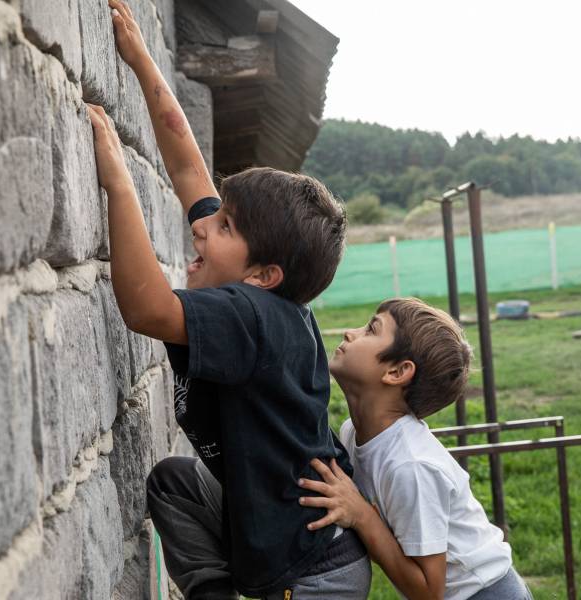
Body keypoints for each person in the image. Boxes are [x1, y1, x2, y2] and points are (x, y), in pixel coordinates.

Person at [87, 2, 370, 598]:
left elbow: (146, 309)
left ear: (263, 275)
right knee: (175, 484)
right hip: (277, 538)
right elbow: (190, 169)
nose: (202, 227)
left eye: (225, 228)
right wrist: (140, 57)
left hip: (313, 576)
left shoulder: (253, 315)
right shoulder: (258, 290)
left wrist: (118, 182)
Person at [298, 298, 533, 600]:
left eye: (371, 329)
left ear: (397, 372)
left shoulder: (410, 465)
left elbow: (428, 592)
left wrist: (362, 516)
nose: (349, 333)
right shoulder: (353, 431)